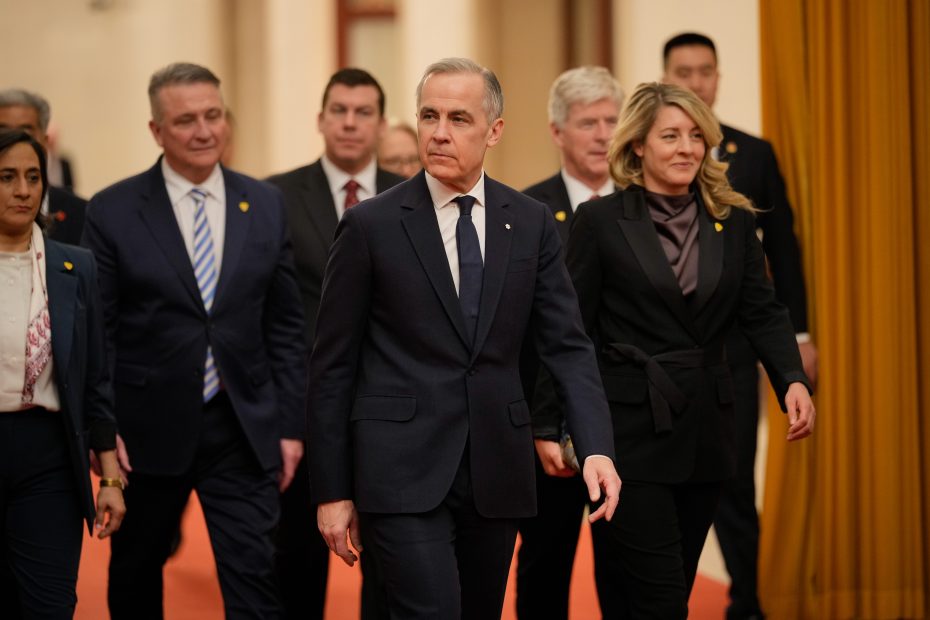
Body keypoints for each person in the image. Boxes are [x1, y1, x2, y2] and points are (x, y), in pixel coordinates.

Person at [307, 57, 621, 619]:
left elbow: (568, 346)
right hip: (399, 471)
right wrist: (331, 489)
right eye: (429, 116)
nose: (439, 132)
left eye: (458, 118)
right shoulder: (369, 225)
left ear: (494, 131)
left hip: (496, 469)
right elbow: (332, 365)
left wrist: (596, 445)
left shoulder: (530, 222)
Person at [545, 81, 815, 619]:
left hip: (706, 433)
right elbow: (571, 331)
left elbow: (761, 310)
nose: (687, 147)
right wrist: (549, 423)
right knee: (663, 599)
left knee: (668, 588)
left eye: (696, 135)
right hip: (627, 434)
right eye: (670, 135)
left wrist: (791, 379)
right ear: (638, 144)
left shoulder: (734, 220)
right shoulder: (600, 221)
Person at [81, 62, 306, 619]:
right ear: (156, 131)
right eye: (186, 121)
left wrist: (290, 427)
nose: (205, 131)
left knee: (255, 575)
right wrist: (103, 430)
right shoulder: (113, 210)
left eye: (214, 115)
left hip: (242, 425)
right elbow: (97, 332)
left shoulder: (265, 203)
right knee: (136, 571)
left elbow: (284, 326)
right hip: (145, 431)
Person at [662, 32, 818, 620]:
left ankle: (747, 602)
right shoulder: (647, 156)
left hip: (732, 349)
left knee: (733, 482)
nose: (696, 81)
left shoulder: (752, 154)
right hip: (658, 357)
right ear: (666, 78)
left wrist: (797, 340)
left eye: (705, 71)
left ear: (718, 78)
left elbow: (782, 252)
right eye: (684, 72)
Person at [266, 67, 403, 620]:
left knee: (392, 575)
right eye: (339, 111)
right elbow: (265, 312)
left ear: (381, 123)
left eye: (363, 112)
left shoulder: (412, 194)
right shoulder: (275, 196)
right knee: (295, 571)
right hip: (303, 411)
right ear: (320, 120)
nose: (350, 123)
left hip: (391, 410)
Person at [0, 129, 125, 618]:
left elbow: (95, 378)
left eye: (33, 177)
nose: (23, 190)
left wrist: (110, 477)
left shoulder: (76, 266)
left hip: (49, 454)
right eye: (7, 177)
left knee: (51, 604)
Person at [516, 65, 624, 620]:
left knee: (624, 572)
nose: (603, 135)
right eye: (588, 123)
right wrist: (543, 424)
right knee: (545, 565)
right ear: (558, 132)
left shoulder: (644, 206)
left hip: (626, 420)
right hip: (548, 424)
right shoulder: (525, 212)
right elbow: (523, 331)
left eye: (612, 120)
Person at [0, 89, 87, 245]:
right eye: (4, 133)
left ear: (45, 143)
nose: (15, 144)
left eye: (25, 135)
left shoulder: (83, 214)